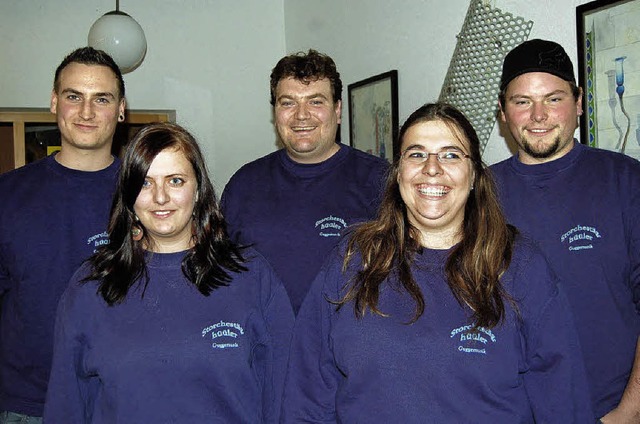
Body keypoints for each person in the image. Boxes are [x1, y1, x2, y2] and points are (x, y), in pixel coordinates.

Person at [281, 102, 594, 423]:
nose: (432, 167)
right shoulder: (352, 259)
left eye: (451, 154)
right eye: (416, 154)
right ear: (398, 172)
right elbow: (307, 394)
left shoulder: (519, 265)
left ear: (473, 175)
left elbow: (563, 401)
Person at [43, 122, 294, 423]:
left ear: (198, 189)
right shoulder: (92, 286)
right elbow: (65, 406)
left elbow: (285, 397)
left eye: (175, 180)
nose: (160, 197)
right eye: (145, 183)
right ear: (129, 195)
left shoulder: (251, 277)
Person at [490, 39, 640, 422]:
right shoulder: (478, 194)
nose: (538, 115)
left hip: (607, 411)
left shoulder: (625, 182)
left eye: (553, 99)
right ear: (504, 112)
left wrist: (628, 412)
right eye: (522, 101)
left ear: (578, 101)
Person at [0, 47, 125, 423]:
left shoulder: (149, 195)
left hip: (126, 399)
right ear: (55, 102)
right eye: (74, 96)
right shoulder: (7, 195)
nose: (86, 112)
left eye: (101, 98)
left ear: (121, 108)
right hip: (27, 406)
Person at [221, 49, 389, 314]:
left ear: (337, 109)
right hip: (265, 349)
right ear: (275, 112)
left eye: (315, 102)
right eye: (287, 102)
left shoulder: (381, 181)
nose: (301, 115)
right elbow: (221, 273)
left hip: (347, 349)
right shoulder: (244, 184)